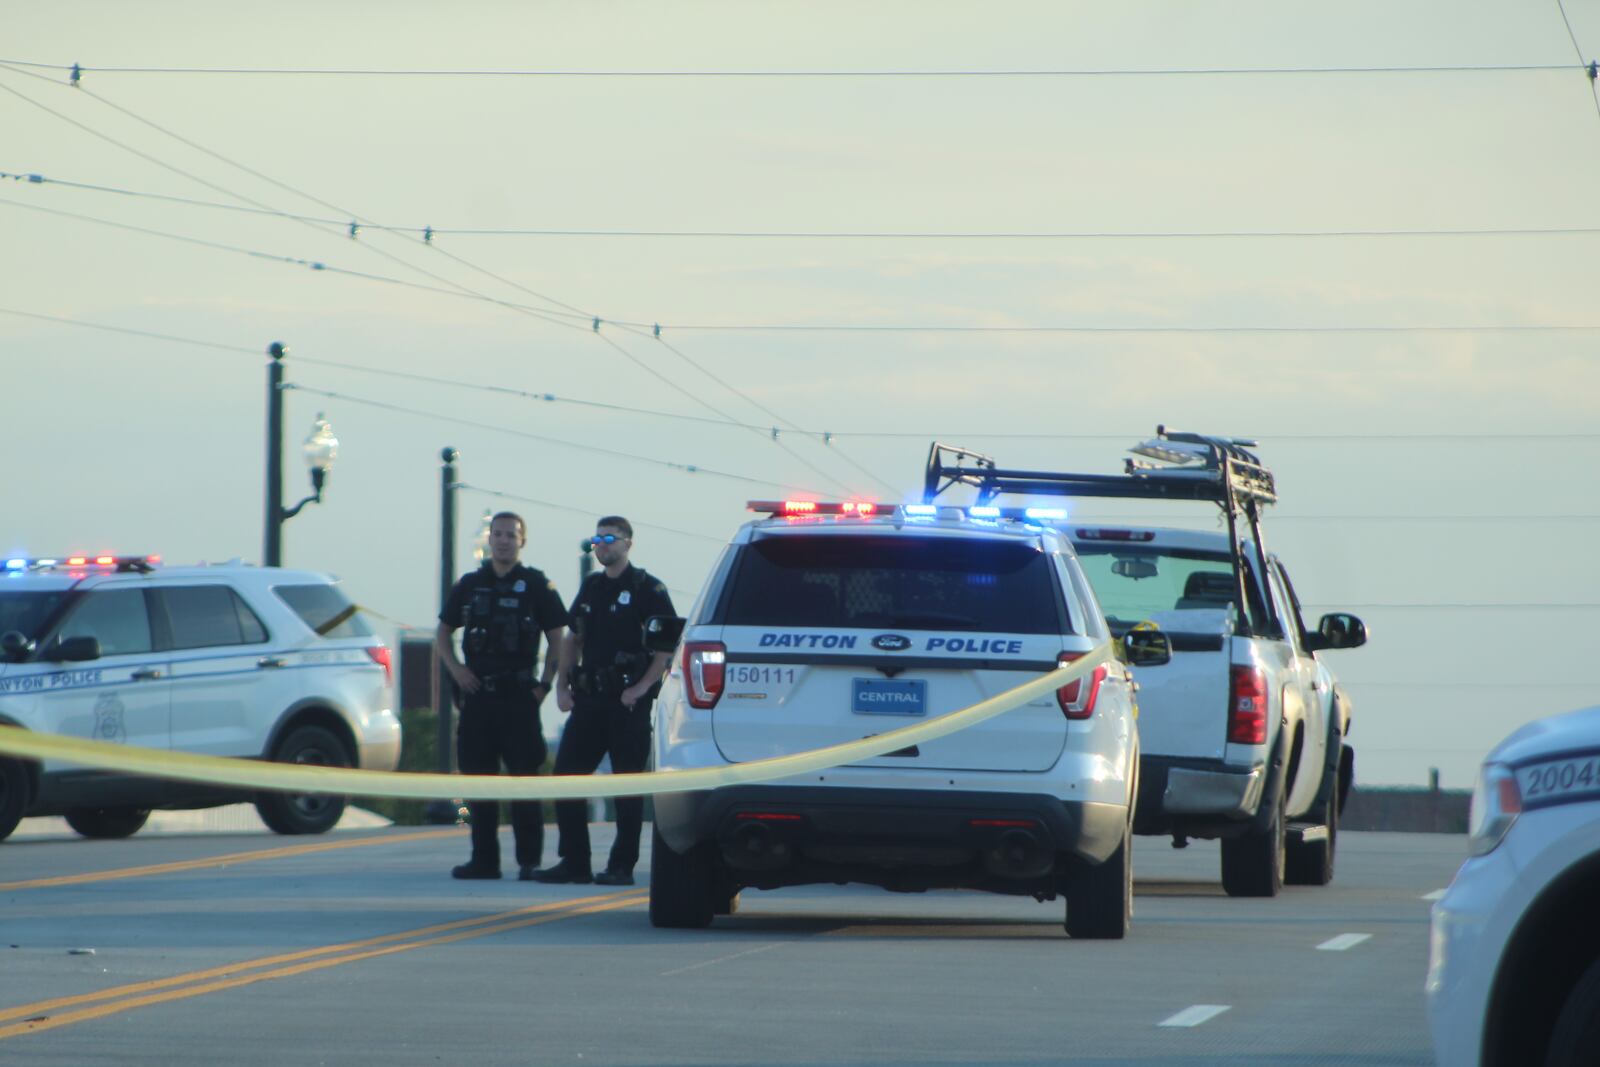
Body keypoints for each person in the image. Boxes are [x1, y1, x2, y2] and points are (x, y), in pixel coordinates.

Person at [530, 516, 674, 886]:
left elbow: (665, 648)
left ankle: (621, 865)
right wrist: (562, 687)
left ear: (628, 544)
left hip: (627, 705)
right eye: (597, 539)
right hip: (589, 701)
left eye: (610, 539)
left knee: (626, 787)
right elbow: (571, 639)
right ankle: (574, 861)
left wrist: (641, 688)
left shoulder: (648, 589)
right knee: (566, 779)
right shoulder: (592, 587)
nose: (602, 545)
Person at [436, 512, 568, 881]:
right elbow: (443, 633)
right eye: (498, 534)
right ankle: (484, 861)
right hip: (478, 698)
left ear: (522, 541)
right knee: (480, 782)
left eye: (511, 534)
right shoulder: (470, 585)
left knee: (524, 781)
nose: (504, 540)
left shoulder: (537, 585)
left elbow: (558, 634)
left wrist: (544, 685)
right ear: (489, 539)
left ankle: (529, 861)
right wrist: (457, 671)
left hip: (519, 698)